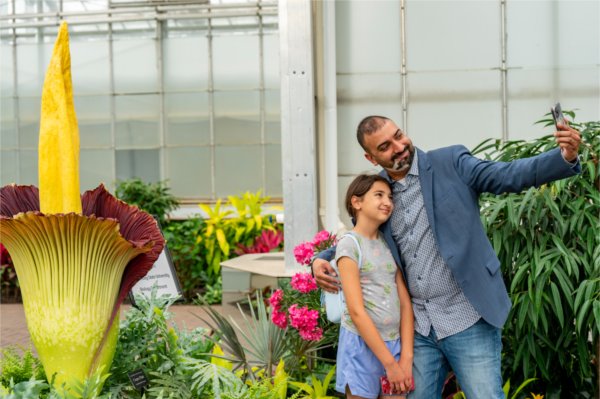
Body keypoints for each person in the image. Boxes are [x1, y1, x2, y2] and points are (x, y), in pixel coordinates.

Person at [313, 115, 581, 398]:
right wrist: (321, 258)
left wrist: (564, 157)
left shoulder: (451, 162)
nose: (399, 146)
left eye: (399, 135)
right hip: (417, 325)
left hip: (467, 316)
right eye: (385, 146)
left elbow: (507, 175)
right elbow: (364, 236)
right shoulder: (379, 192)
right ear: (371, 157)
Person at [334, 174, 414, 399]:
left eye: (389, 196)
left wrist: (405, 358)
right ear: (356, 202)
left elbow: (405, 304)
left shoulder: (388, 244)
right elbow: (356, 311)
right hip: (360, 348)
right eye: (378, 195)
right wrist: (390, 364)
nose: (387, 202)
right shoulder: (349, 245)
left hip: (395, 344)